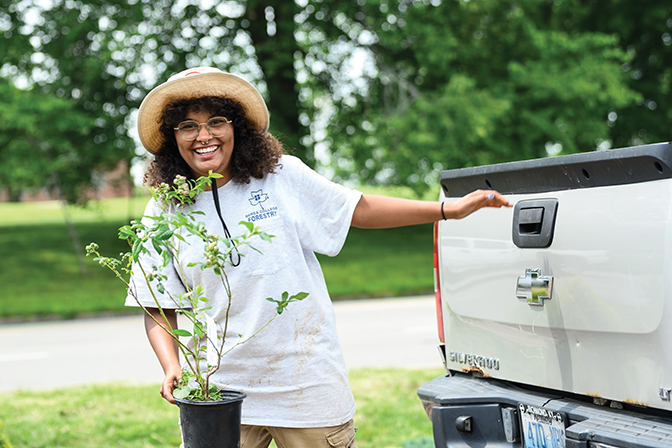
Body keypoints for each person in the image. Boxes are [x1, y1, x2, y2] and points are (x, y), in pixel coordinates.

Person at [128, 66, 511, 448]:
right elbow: (157, 304)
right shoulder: (165, 209)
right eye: (188, 126)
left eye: (216, 121)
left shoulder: (280, 176)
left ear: (237, 127)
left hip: (304, 387)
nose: (204, 136)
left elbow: (357, 210)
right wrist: (173, 366)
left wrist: (447, 210)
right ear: (172, 137)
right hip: (217, 393)